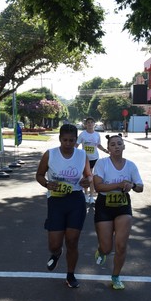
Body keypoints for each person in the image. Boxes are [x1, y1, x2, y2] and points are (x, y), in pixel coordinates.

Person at [35, 123, 92, 289]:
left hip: (75, 200)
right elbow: (39, 175)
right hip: (56, 200)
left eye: (71, 140)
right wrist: (47, 184)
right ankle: (57, 253)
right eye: (65, 140)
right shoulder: (50, 154)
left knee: (72, 241)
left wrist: (86, 181)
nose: (68, 144)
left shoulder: (82, 155)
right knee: (54, 244)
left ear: (76, 140)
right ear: (60, 139)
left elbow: (89, 176)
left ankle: (70, 274)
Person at [92, 133, 144, 290]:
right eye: (112, 144)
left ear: (124, 146)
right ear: (108, 148)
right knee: (107, 248)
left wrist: (132, 186)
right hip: (104, 206)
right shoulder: (102, 164)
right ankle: (101, 250)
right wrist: (119, 185)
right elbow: (98, 187)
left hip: (123, 207)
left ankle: (116, 276)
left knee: (121, 245)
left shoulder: (131, 166)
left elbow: (140, 187)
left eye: (119, 144)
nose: (116, 146)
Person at [76, 117, 109, 204]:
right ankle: (86, 195)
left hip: (94, 158)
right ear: (85, 124)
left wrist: (105, 150)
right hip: (84, 159)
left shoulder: (97, 135)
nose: (90, 124)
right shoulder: (82, 134)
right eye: (88, 123)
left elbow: (98, 145)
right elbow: (76, 145)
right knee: (86, 177)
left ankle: (91, 196)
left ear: (94, 124)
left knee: (92, 177)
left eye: (91, 122)